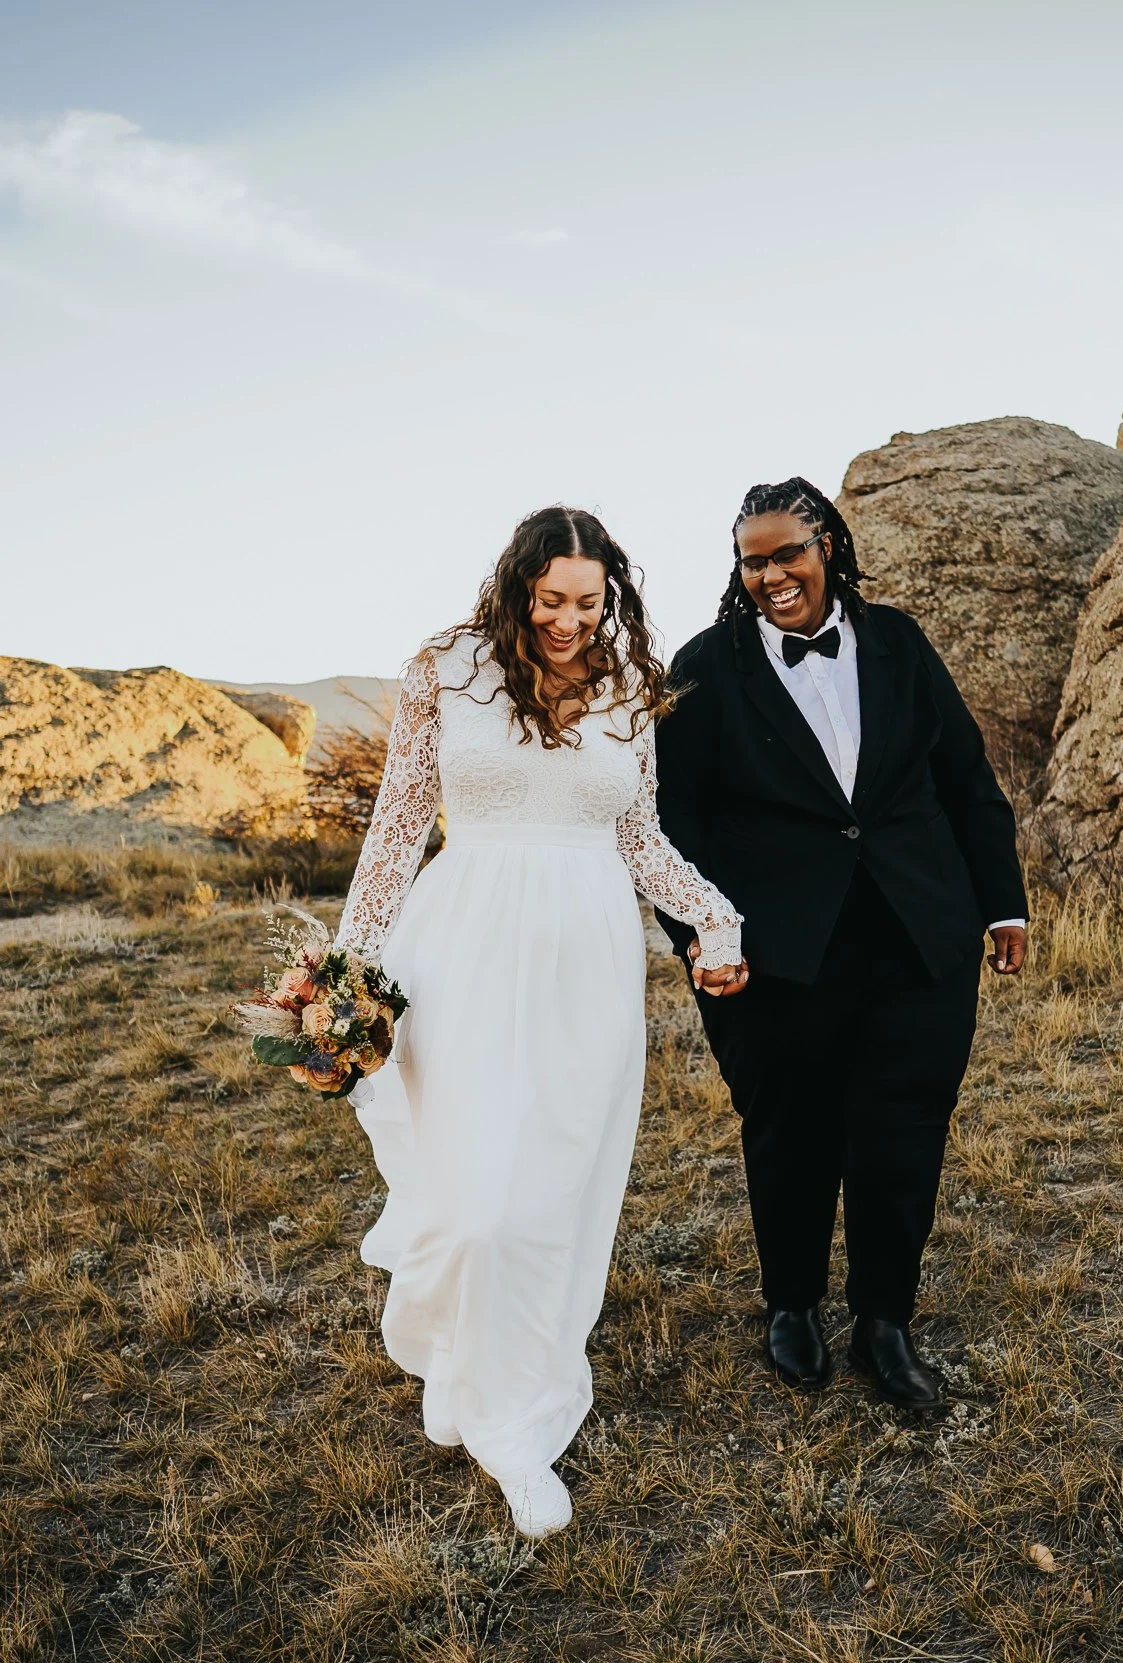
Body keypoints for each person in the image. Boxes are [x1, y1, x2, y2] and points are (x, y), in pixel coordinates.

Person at [334, 506, 747, 1539]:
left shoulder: (623, 687)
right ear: (516, 584)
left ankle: (513, 1404)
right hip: (463, 949)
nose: (568, 620)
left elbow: (639, 839)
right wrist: (343, 969)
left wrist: (713, 911)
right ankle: (491, 1405)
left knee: (551, 1194)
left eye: (588, 602)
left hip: (585, 962)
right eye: (551, 598)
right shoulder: (445, 668)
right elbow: (394, 828)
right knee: (476, 1202)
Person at [653, 477, 1025, 1412]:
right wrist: (703, 935)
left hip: (919, 935)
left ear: (829, 546)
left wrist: (1002, 903)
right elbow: (667, 819)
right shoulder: (704, 668)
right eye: (754, 559)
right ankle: (792, 1307)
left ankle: (885, 1323)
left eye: (790, 552)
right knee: (791, 1132)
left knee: (905, 1130)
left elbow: (965, 773)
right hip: (776, 956)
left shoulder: (898, 642)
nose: (773, 574)